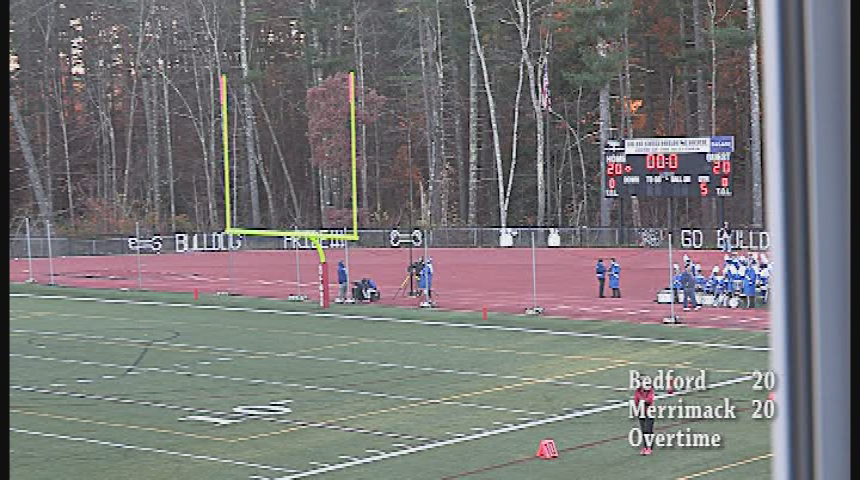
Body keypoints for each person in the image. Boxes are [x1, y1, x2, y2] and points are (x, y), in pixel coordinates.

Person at [634, 384, 655, 455]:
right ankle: (645, 447)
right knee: (643, 430)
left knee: (648, 430)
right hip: (641, 413)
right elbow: (636, 401)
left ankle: (649, 447)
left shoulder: (650, 391)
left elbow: (650, 401)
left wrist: (644, 401)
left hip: (650, 413)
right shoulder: (638, 391)